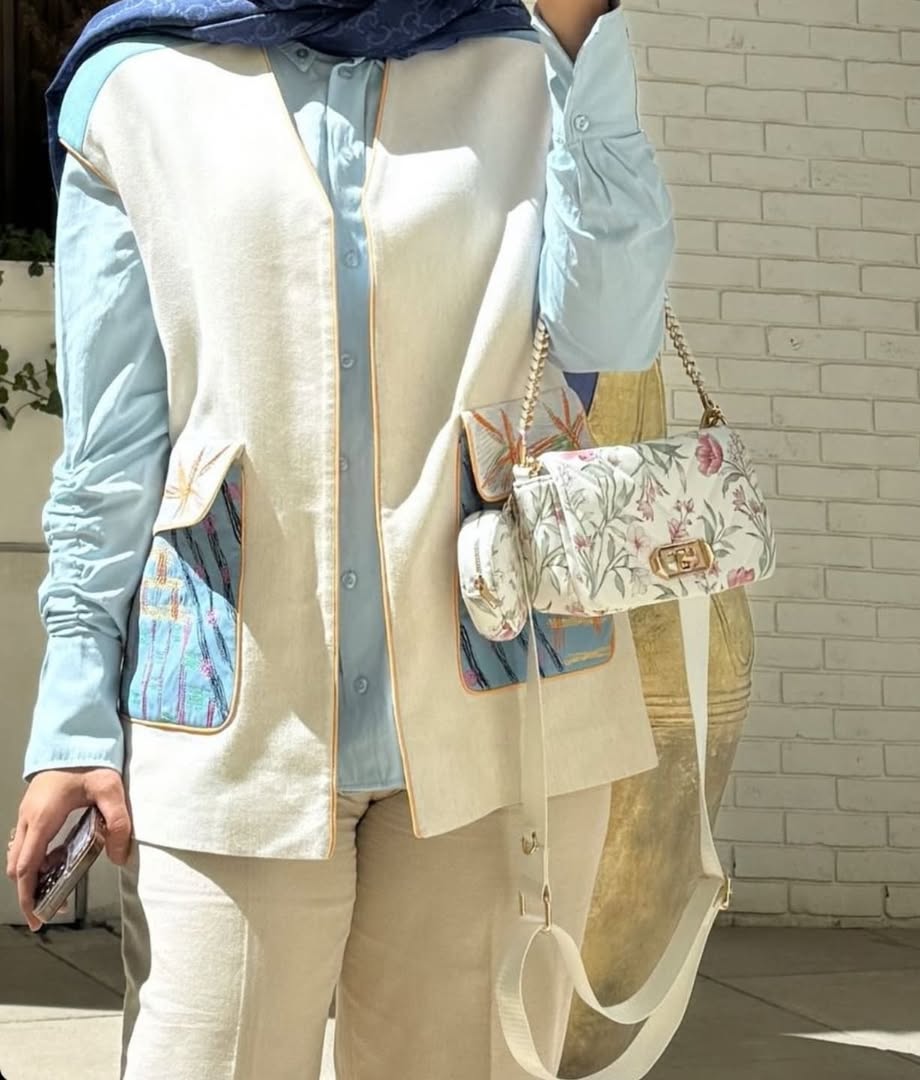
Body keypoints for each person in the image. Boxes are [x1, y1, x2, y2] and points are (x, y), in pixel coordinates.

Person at [6, 0, 675, 1076]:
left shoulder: (530, 59)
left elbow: (614, 334)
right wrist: (74, 718)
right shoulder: (132, 84)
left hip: (507, 710)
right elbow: (110, 457)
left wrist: (576, 42)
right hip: (228, 717)